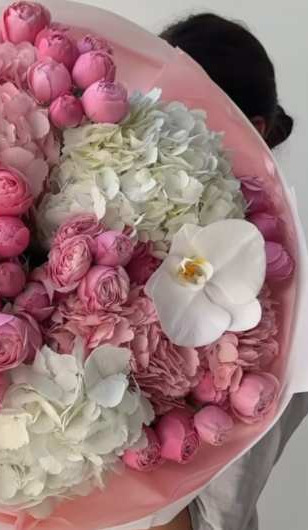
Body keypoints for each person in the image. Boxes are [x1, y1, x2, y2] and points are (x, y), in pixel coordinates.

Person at [147, 13, 306, 530]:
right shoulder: (126, 232)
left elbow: (220, 511)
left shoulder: (288, 299)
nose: (159, 131)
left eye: (183, 112)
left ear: (252, 131)